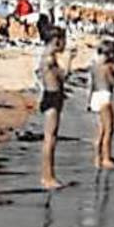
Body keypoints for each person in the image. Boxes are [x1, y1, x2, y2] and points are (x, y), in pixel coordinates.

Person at [37, 27, 69, 189]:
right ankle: (47, 177)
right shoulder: (49, 59)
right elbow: (62, 76)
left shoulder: (47, 56)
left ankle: (49, 175)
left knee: (51, 138)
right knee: (50, 139)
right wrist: (70, 61)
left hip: (51, 95)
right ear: (57, 41)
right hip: (51, 96)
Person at [88, 40, 114, 170]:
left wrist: (88, 101)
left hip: (96, 96)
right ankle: (106, 158)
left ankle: (98, 158)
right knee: (109, 130)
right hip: (105, 96)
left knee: (101, 130)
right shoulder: (107, 67)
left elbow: (91, 85)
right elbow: (113, 82)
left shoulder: (94, 66)